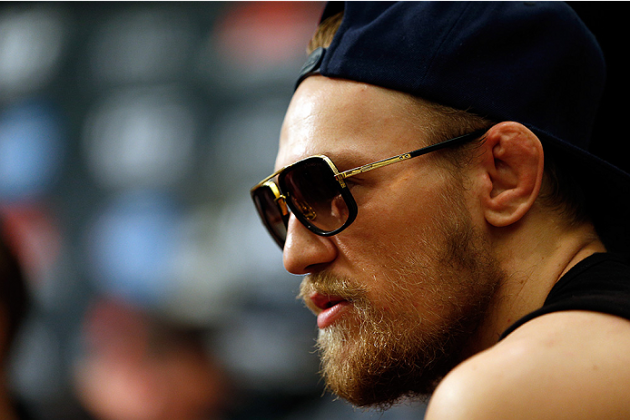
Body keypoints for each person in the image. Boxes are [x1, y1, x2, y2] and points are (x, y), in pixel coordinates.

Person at [250, 1, 630, 419]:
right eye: (280, 207)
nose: (296, 257)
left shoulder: (508, 396)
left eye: (328, 188)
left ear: (505, 175)